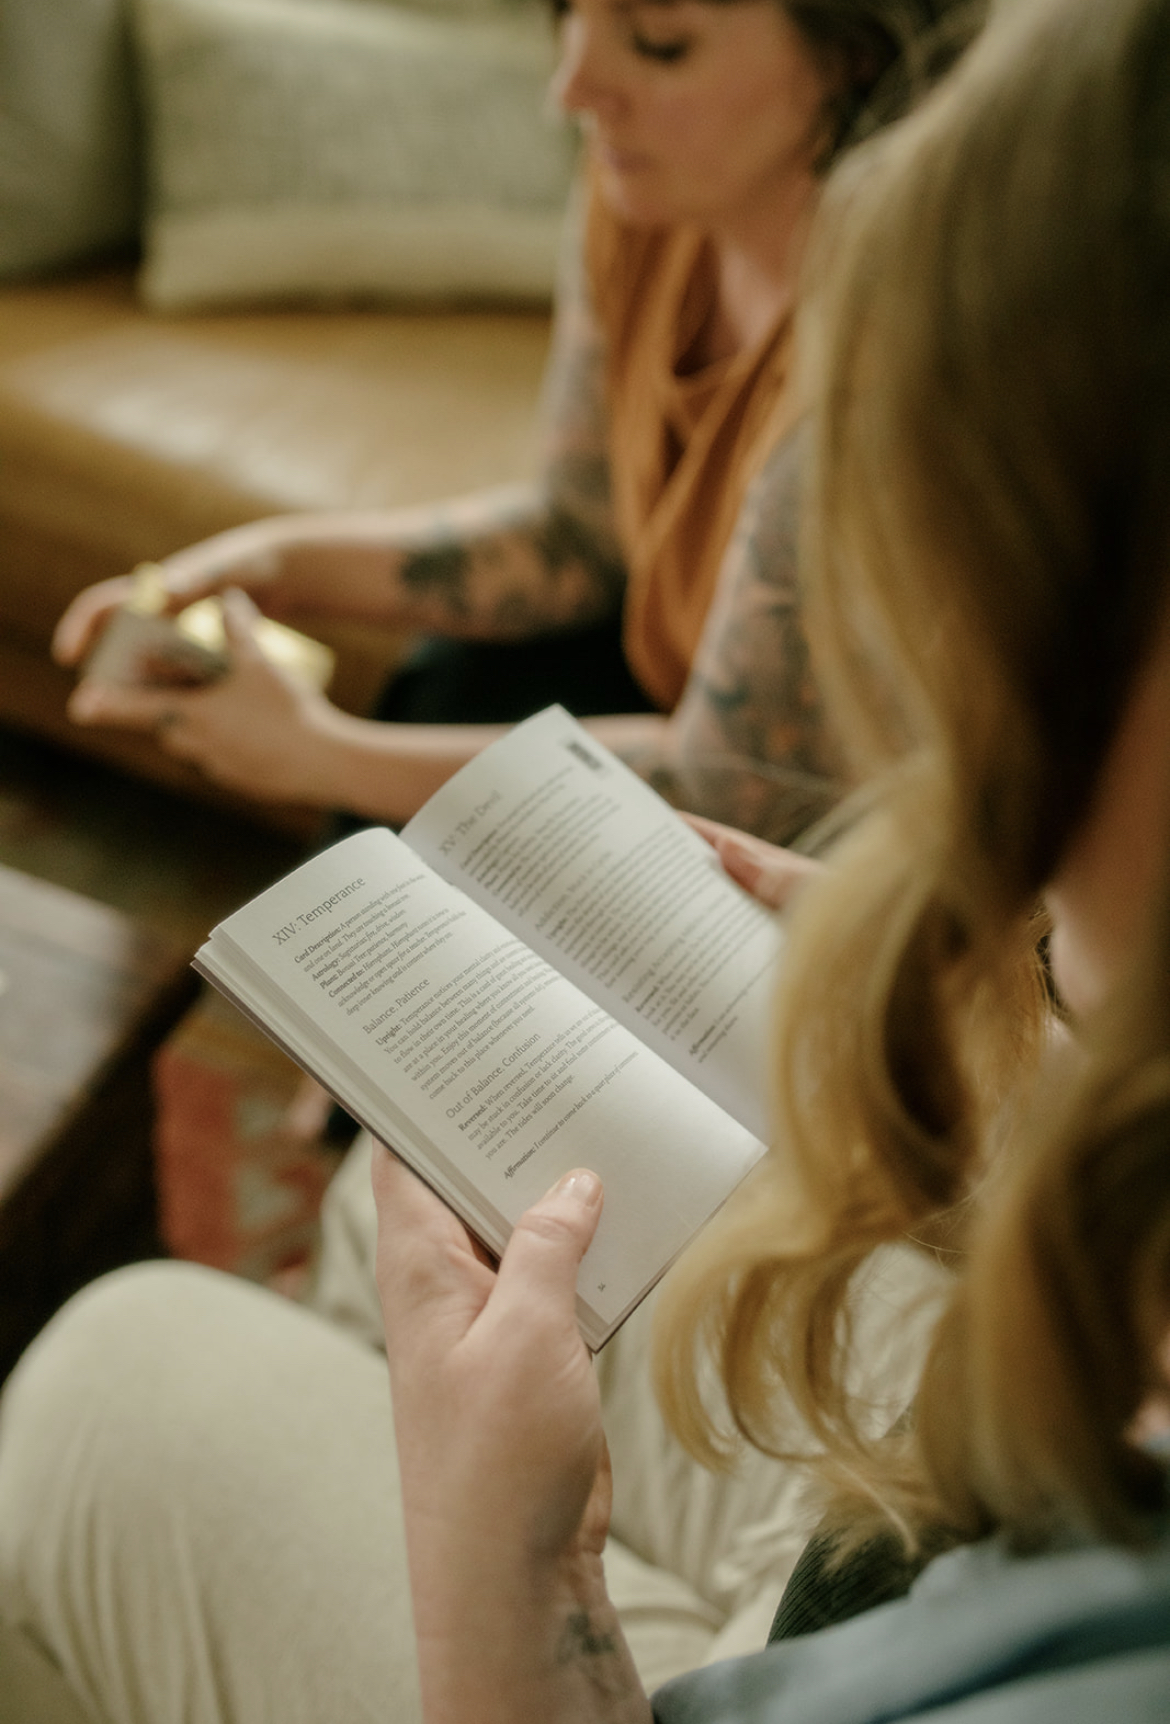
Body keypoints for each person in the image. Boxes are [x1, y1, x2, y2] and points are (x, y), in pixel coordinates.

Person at [363, 0, 1170, 1716]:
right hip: (902, 1500)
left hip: (795, 1594)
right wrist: (1018, 1031)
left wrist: (507, 1577)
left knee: (100, 1390)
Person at [51, 0, 976, 843]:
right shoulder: (649, 193)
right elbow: (581, 533)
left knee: (426, 761)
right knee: (451, 678)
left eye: (659, 42)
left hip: (840, 835)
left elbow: (734, 788)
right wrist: (284, 562)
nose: (570, 88)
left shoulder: (882, 357)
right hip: (686, 702)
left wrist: (323, 753)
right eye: (570, 11)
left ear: (853, 54)